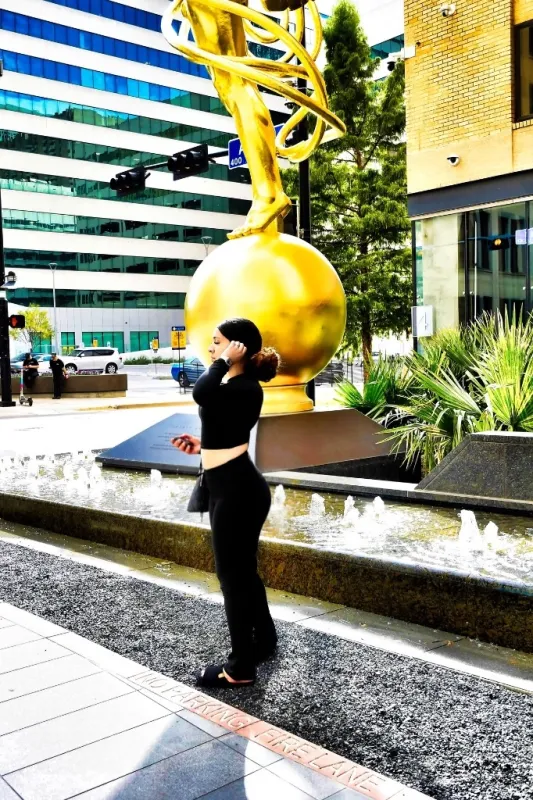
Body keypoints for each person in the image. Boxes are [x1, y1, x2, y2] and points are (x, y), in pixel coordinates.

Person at [171, 318, 280, 688]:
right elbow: (225, 429)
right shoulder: (233, 386)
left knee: (232, 579)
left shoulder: (246, 386)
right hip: (226, 485)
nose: (211, 348)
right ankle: (264, 639)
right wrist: (201, 447)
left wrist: (222, 361)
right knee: (242, 573)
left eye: (217, 342)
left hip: (238, 491)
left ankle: (239, 668)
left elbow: (200, 393)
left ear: (238, 348)